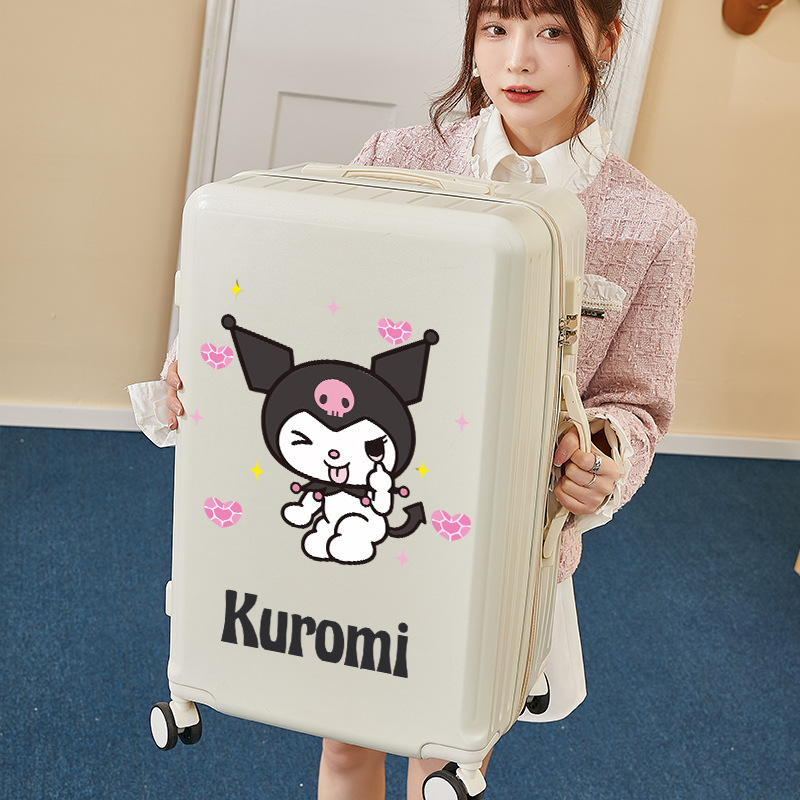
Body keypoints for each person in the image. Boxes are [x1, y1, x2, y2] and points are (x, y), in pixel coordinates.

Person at [151, 1, 695, 797]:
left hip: (496, 541)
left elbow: (635, 401)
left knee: (444, 759)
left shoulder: (653, 224)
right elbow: (303, 292)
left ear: (606, 41)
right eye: (496, 29)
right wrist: (195, 362)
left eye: (551, 32)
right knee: (346, 744)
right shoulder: (395, 157)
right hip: (363, 529)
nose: (518, 60)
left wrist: (603, 454)